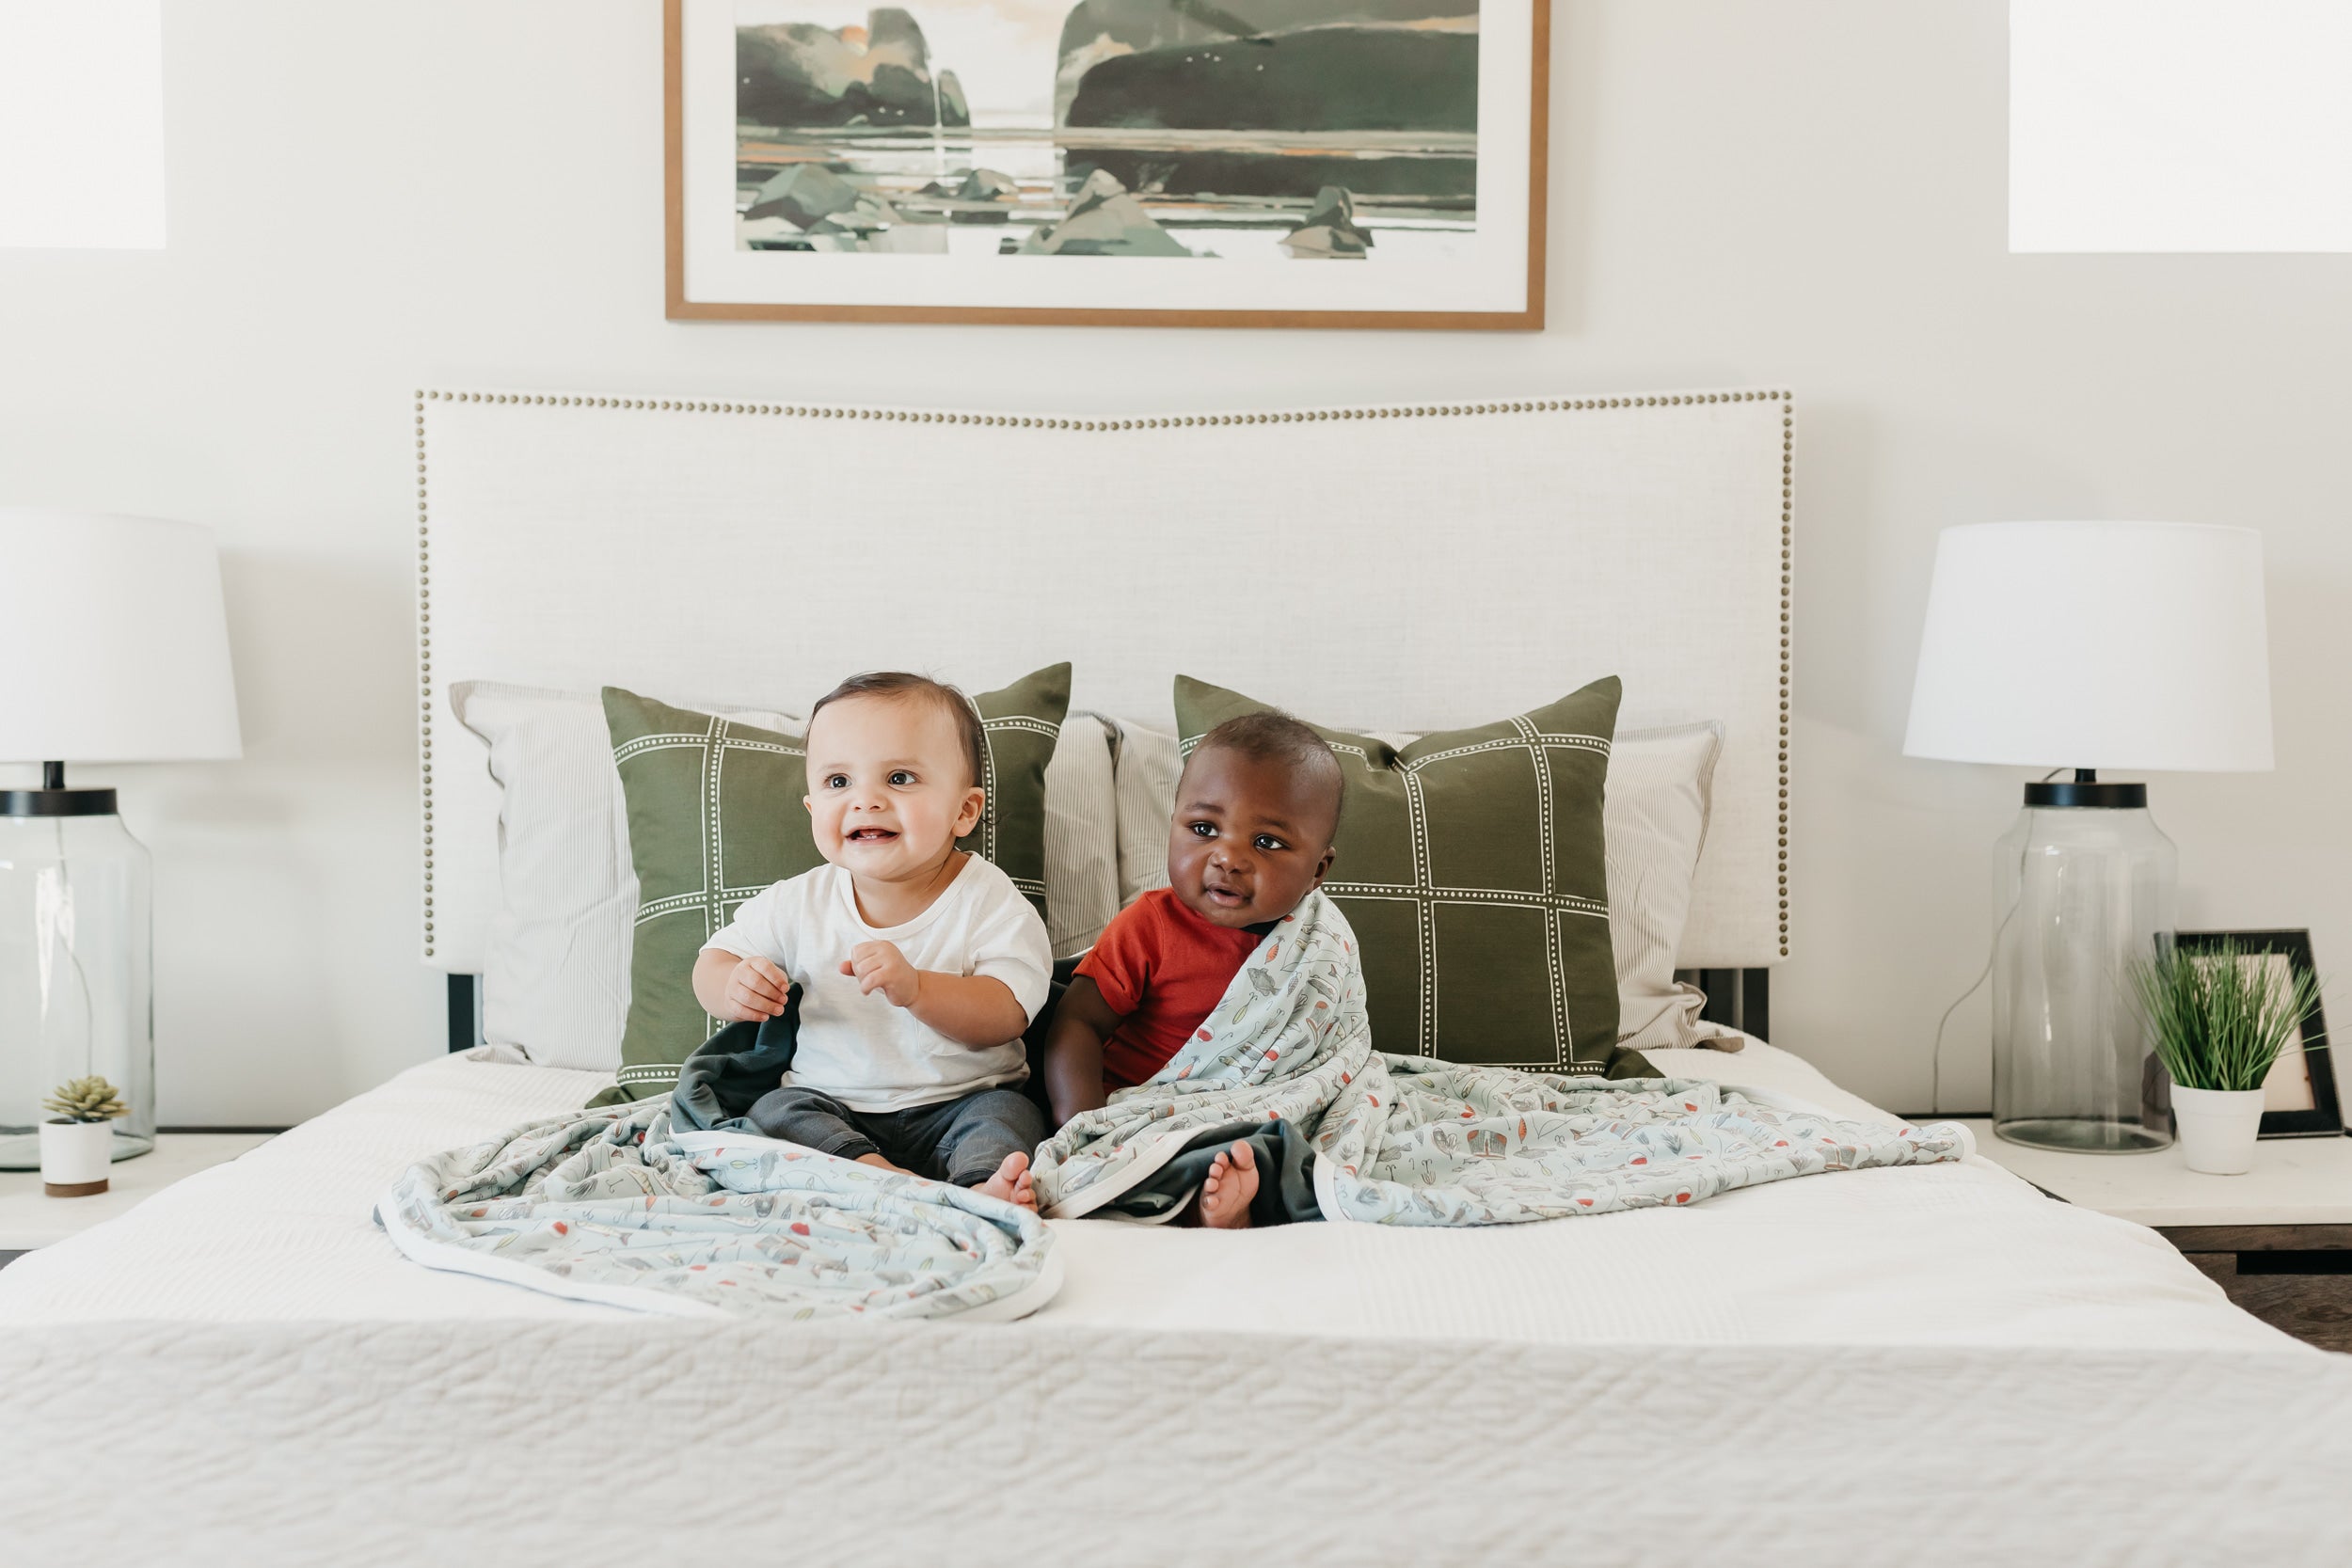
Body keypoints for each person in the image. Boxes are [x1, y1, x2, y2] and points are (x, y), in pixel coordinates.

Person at [691, 672, 1051, 1210]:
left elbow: (1008, 1013)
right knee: (775, 1112)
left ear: (963, 811)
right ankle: (883, 1177)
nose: (866, 801)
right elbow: (712, 962)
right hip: (834, 1107)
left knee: (1010, 1117)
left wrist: (919, 989)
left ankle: (981, 1187)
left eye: (900, 778)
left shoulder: (989, 899)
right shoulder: (800, 901)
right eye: (839, 781)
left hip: (961, 1103)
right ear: (813, 809)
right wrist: (733, 986)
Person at [1043, 709, 1344, 1227]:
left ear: (1317, 870)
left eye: (1267, 842)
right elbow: (1077, 1022)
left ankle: (1232, 1199)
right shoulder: (1150, 925)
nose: (1228, 857)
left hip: (1254, 1113)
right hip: (1139, 1115)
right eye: (1204, 829)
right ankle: (1209, 1198)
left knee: (1287, 1147)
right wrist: (1084, 1124)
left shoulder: (1320, 942)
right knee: (1180, 1155)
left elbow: (1330, 1059)